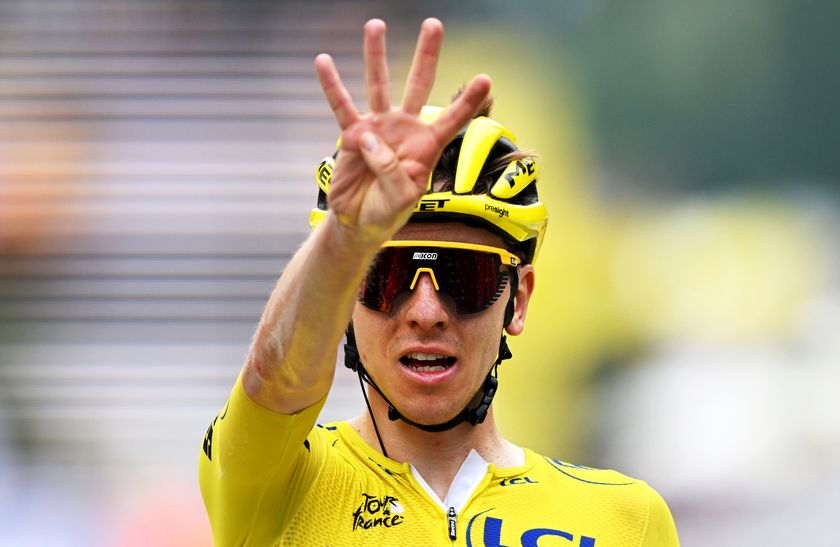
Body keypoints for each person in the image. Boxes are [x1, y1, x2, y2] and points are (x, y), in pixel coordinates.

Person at [199, 17, 679, 546]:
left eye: (463, 277)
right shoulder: (276, 480)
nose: (426, 311)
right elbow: (274, 380)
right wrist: (345, 238)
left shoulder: (626, 518)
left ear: (517, 302)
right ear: (343, 299)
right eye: (386, 276)